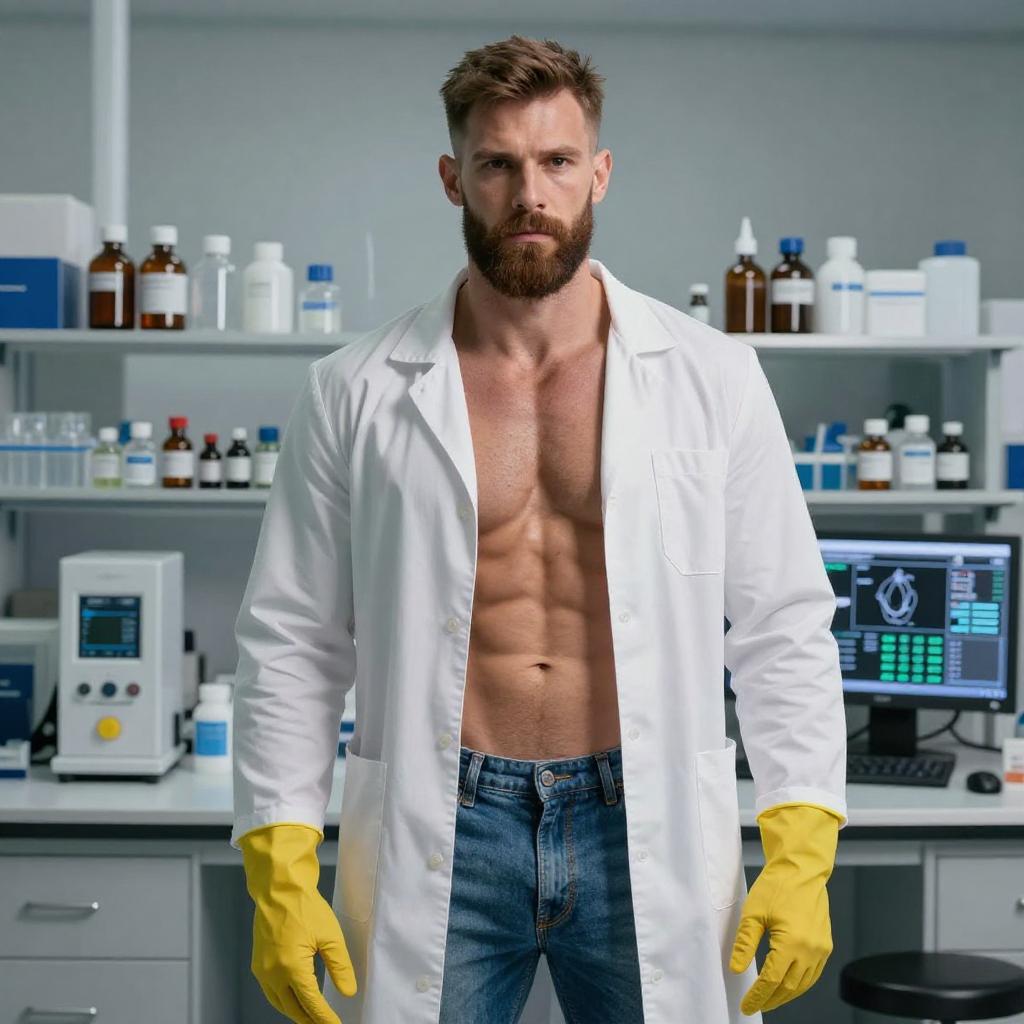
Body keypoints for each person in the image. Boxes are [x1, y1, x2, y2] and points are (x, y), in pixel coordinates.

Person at [231, 34, 848, 1024]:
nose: (531, 191)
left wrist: (802, 835)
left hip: (640, 818)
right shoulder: (351, 390)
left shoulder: (711, 377)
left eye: (557, 161)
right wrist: (278, 855)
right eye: (498, 164)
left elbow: (780, 621)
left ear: (597, 171)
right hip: (446, 825)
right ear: (453, 178)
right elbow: (292, 637)